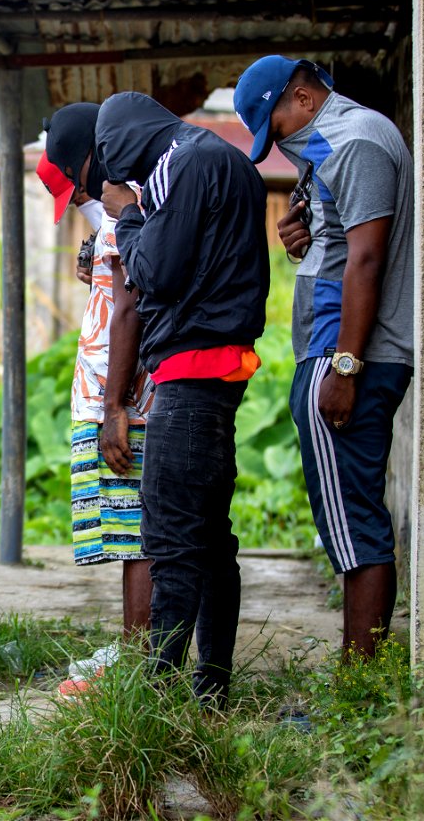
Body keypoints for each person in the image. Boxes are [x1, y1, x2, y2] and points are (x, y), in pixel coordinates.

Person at [92, 91, 270, 707]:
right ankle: (211, 691)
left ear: (120, 145)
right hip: (221, 369)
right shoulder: (227, 159)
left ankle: (158, 697)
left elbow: (157, 274)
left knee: (169, 540)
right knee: (211, 541)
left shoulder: (178, 163)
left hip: (190, 371)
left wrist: (128, 214)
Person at [234, 55, 414, 661]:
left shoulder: (354, 141)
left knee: (353, 526)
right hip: (334, 347)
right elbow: (345, 245)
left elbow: (367, 261)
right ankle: (357, 678)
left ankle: (357, 686)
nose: (282, 148)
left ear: (304, 99)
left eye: (278, 131)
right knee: (348, 521)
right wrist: (305, 237)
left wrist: (344, 367)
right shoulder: (341, 145)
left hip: (349, 354)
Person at [37, 103, 154, 695]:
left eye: (75, 176)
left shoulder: (122, 214)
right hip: (115, 394)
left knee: (138, 535)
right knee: (129, 529)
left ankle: (139, 663)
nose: (82, 190)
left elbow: (130, 307)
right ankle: (137, 648)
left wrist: (115, 410)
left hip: (123, 401)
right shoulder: (123, 214)